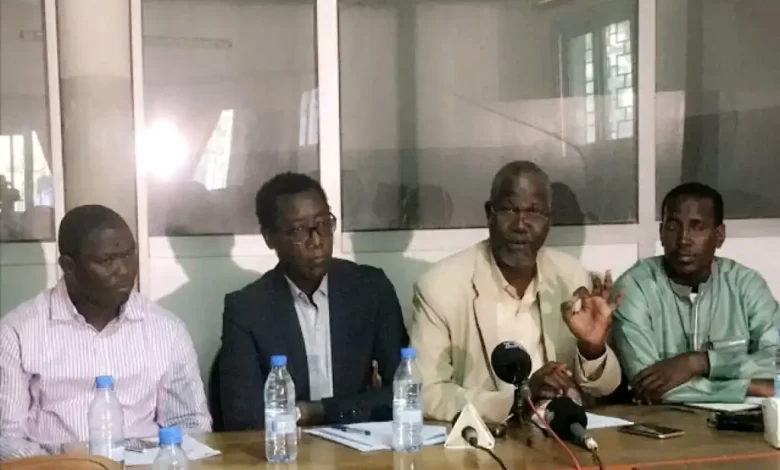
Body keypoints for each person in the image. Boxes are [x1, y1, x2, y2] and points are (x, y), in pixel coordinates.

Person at [409, 161, 622, 423]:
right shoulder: (440, 286)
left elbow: (605, 388)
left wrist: (592, 349)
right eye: (509, 209)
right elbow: (425, 393)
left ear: (549, 220)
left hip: (559, 433)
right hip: (490, 438)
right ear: (489, 213)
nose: (520, 224)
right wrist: (519, 398)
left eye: (534, 212)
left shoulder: (571, 278)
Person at [0, 205, 211, 460]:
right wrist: (62, 463)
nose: (124, 270)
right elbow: (6, 437)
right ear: (69, 266)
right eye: (107, 260)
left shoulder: (167, 329)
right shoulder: (18, 333)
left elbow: (191, 423)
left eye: (129, 255)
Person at [219, 172, 408, 430]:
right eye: (299, 230)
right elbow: (242, 417)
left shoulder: (371, 289)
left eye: (323, 224)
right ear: (269, 237)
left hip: (359, 442)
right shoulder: (246, 309)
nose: (317, 241)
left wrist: (316, 411)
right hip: (286, 446)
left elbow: (403, 391)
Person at [612, 182, 779, 403]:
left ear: (719, 236)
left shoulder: (746, 285)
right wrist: (747, 388)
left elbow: (775, 360)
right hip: (658, 419)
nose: (683, 240)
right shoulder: (635, 287)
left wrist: (702, 362)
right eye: (673, 226)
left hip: (743, 420)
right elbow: (648, 386)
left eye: (697, 227)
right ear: (661, 233)